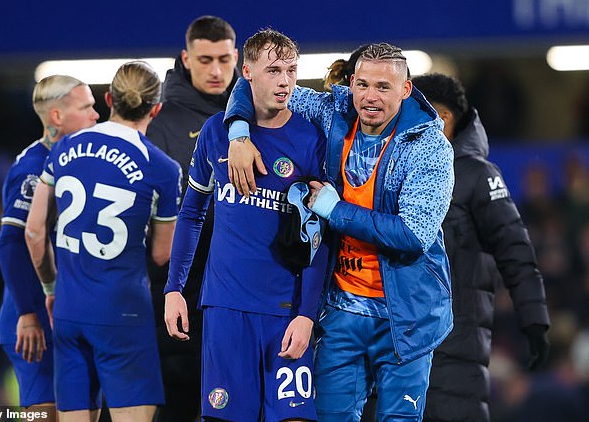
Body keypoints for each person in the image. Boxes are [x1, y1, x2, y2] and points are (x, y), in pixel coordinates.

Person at [224, 42, 455, 421]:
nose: (370, 97)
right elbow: (254, 83)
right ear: (351, 84)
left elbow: (413, 234)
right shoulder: (335, 110)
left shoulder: (429, 145)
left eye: (383, 87)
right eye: (362, 84)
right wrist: (238, 133)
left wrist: (335, 210)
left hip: (406, 318)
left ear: (406, 89)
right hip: (342, 312)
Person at [164, 29, 328, 422]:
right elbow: (191, 214)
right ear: (248, 71)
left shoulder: (310, 139)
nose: (286, 81)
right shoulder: (216, 133)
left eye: (291, 70)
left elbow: (319, 238)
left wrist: (306, 313)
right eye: (274, 70)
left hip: (285, 312)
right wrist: (174, 288)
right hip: (226, 308)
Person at [25, 61, 181, 422]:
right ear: (155, 108)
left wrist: (51, 287)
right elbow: (161, 254)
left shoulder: (63, 149)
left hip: (68, 311)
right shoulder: (162, 168)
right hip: (122, 313)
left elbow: (33, 232)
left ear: (109, 98)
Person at [412, 73, 550, 422]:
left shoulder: (477, 174)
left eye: (412, 112)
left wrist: (535, 321)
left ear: (441, 120)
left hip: (457, 349)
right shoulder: (399, 172)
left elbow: (514, 250)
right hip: (400, 349)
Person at [144, 15, 239, 422]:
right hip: (182, 291)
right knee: (181, 399)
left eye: (223, 59)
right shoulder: (161, 123)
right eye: (204, 60)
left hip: (241, 290)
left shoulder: (258, 113)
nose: (215, 71)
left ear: (237, 58)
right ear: (186, 58)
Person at [0, 75, 99, 413]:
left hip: (69, 312)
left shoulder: (78, 161)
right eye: (86, 107)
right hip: (36, 319)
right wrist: (27, 313)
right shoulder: (32, 167)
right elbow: (11, 242)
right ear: (56, 117)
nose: (95, 115)